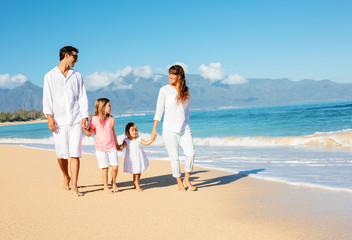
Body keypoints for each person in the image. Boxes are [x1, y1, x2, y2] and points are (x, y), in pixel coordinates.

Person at [43, 46, 89, 196]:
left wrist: (85, 116)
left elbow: (82, 96)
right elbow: (47, 98)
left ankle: (75, 185)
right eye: (74, 57)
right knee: (62, 155)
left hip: (75, 119)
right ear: (66, 55)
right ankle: (65, 175)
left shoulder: (77, 76)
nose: (76, 60)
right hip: (59, 122)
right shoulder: (49, 76)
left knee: (75, 154)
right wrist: (49, 117)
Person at [151, 65, 196, 191]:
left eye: (173, 74)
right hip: (169, 129)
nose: (170, 76)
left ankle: (187, 179)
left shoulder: (186, 90)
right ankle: (179, 181)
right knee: (174, 157)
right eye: (169, 73)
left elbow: (186, 111)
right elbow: (159, 110)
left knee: (190, 153)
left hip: (184, 128)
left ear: (179, 75)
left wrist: (185, 123)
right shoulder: (164, 90)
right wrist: (154, 129)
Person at [83, 98, 119, 194]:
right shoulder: (94, 119)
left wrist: (117, 144)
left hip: (112, 147)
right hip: (100, 149)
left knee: (115, 167)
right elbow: (89, 133)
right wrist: (84, 129)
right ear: (103, 108)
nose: (110, 107)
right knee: (105, 168)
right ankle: (106, 187)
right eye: (109, 106)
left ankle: (114, 182)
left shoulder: (110, 119)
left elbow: (113, 132)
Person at [119, 122, 153, 192]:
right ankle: (137, 184)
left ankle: (136, 182)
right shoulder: (126, 140)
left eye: (136, 130)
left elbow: (146, 143)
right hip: (132, 158)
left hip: (139, 157)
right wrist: (120, 146)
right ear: (128, 132)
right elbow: (123, 146)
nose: (134, 132)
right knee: (135, 171)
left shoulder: (139, 139)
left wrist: (151, 140)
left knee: (139, 171)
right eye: (132, 131)